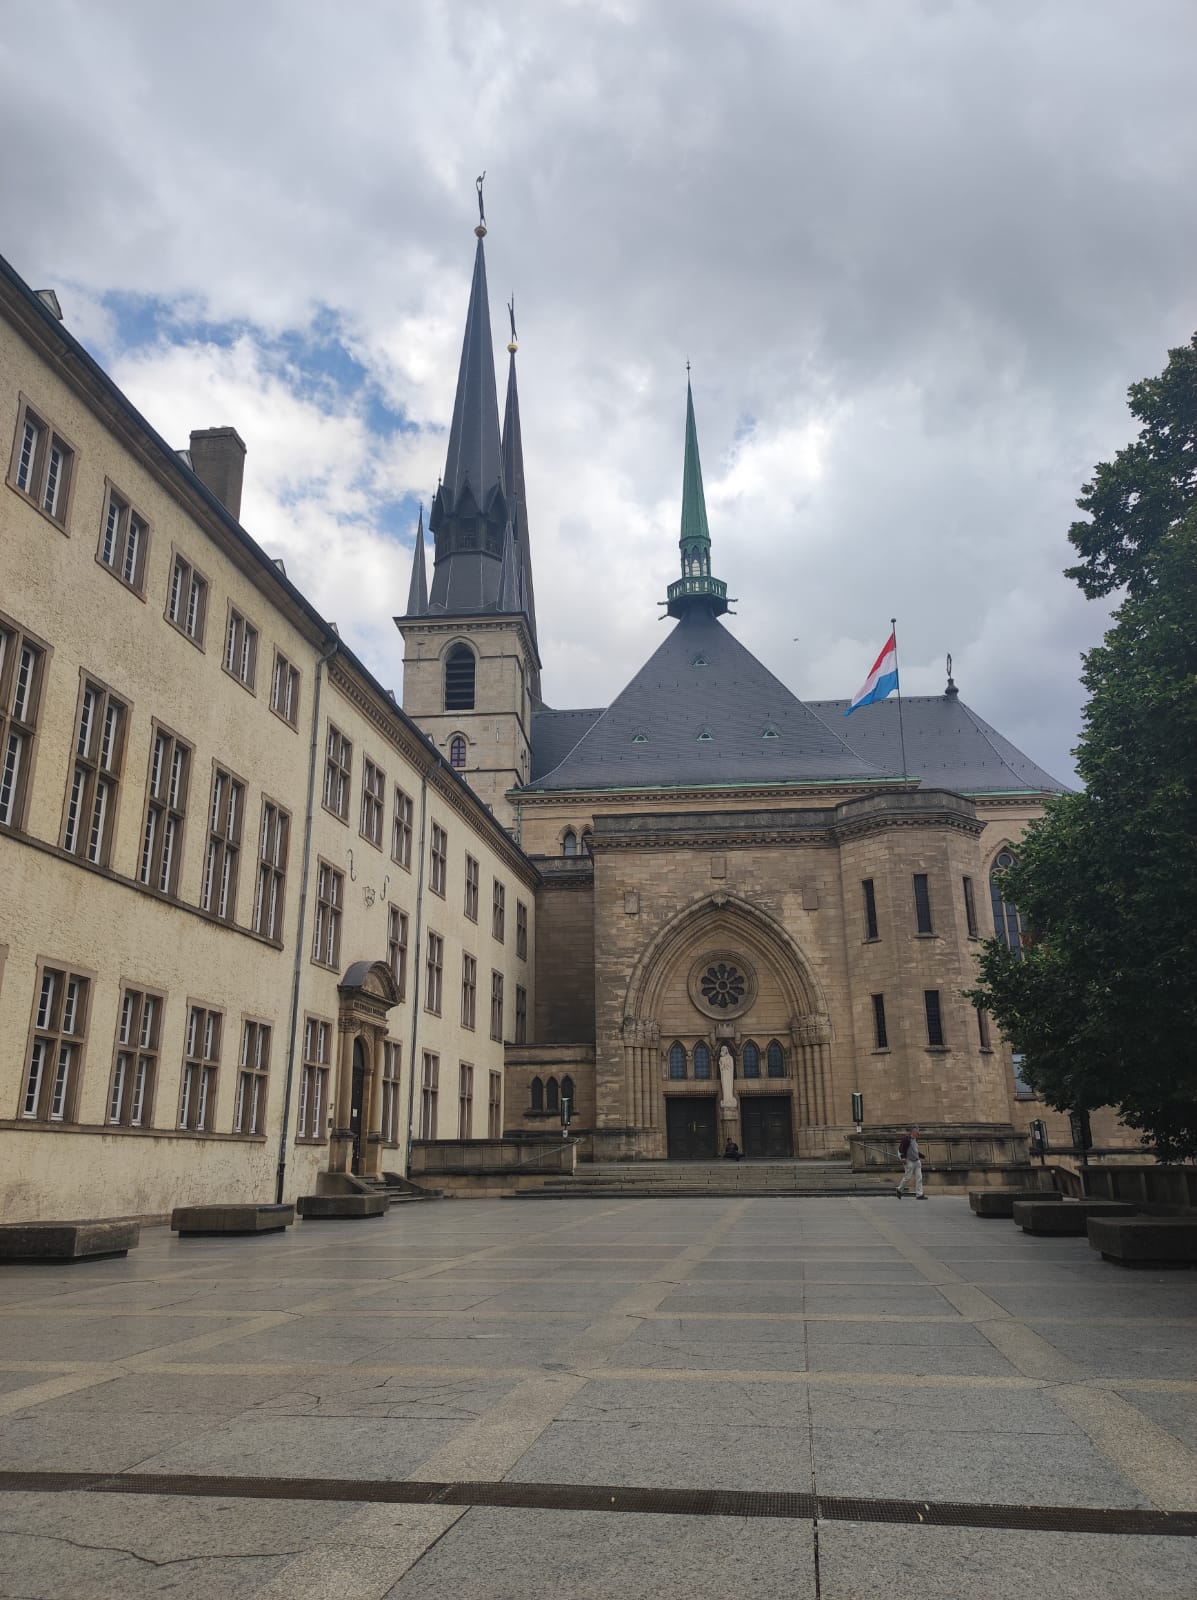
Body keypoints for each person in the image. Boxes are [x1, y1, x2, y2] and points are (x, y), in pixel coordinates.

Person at [895, 1124, 926, 1199]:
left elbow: (914, 1151)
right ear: (914, 1131)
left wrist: (922, 1156)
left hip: (916, 1160)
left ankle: (919, 1194)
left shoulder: (915, 1139)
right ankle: (899, 1189)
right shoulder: (906, 1139)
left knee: (919, 1177)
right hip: (909, 1160)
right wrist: (903, 1157)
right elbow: (902, 1148)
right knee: (907, 1177)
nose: (919, 1133)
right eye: (918, 1131)